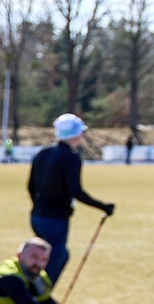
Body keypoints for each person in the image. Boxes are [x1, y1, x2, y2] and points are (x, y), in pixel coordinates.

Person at [27, 113, 114, 283]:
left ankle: (33, 296)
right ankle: (37, 300)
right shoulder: (71, 158)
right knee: (55, 259)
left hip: (37, 216)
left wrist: (39, 205)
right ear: (75, 134)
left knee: (49, 256)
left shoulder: (43, 154)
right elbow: (76, 191)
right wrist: (103, 206)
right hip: (56, 218)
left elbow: (31, 187)